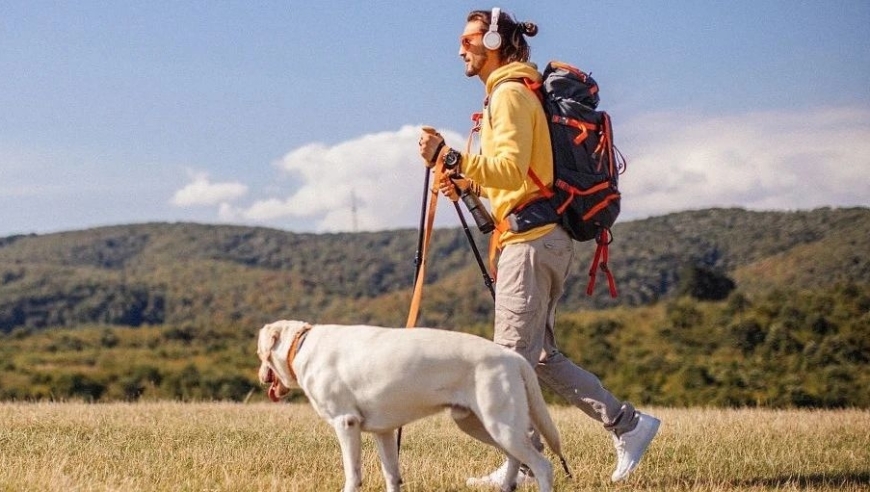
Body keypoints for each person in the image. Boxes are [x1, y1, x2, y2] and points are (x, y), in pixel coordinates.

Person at [417, 8, 660, 487]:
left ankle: (523, 467)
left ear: (493, 41)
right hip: (541, 236)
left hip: (530, 242)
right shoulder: (515, 92)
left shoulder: (508, 94)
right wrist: (466, 183)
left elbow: (508, 171)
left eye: (469, 39)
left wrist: (450, 155)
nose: (460, 49)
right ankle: (629, 425)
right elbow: (519, 180)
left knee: (505, 360)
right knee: (539, 356)